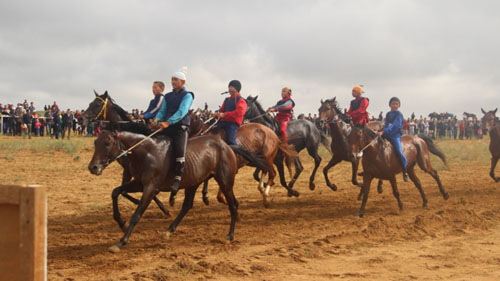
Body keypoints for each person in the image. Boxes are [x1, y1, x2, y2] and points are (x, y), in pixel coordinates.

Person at [153, 67, 194, 205]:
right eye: (172, 79)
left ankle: (178, 176)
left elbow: (182, 111)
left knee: (179, 150)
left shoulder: (188, 95)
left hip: (179, 127)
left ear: (183, 82)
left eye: (175, 80)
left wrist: (168, 122)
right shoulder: (168, 96)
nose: (173, 82)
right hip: (166, 125)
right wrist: (157, 120)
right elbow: (163, 110)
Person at [378, 97, 409, 182]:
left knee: (399, 151)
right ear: (390, 105)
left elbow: (394, 125)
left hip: (395, 135)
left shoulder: (399, 114)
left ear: (399, 105)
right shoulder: (388, 114)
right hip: (387, 134)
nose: (395, 105)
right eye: (393, 104)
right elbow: (387, 124)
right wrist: (382, 130)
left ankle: (405, 170)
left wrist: (384, 130)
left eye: (397, 104)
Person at [214, 80, 247, 145]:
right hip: (222, 123)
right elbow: (221, 111)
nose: (229, 88)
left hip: (232, 124)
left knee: (231, 140)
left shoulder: (241, 100)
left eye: (232, 87)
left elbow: (239, 112)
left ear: (236, 89)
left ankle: (235, 154)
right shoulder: (226, 100)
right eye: (229, 87)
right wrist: (216, 115)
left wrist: (224, 115)